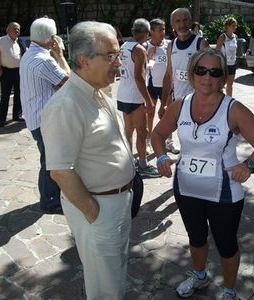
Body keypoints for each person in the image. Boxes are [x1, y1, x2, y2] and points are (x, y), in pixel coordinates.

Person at [151, 47, 254, 299]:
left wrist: (248, 165)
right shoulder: (180, 105)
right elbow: (157, 134)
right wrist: (161, 156)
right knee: (196, 239)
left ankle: (229, 291)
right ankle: (199, 276)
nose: (207, 77)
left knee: (226, 246)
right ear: (192, 73)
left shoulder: (234, 108)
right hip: (186, 188)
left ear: (222, 76)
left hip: (224, 193)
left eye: (215, 72)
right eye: (201, 70)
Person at [41, 21, 135, 300]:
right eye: (111, 55)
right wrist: (94, 213)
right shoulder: (65, 106)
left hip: (118, 201)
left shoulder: (94, 91)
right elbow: (60, 171)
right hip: (99, 208)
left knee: (115, 273)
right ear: (84, 60)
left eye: (118, 54)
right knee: (104, 286)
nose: (118, 62)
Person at [20, 17, 70, 214]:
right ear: (51, 38)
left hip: (36, 117)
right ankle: (50, 201)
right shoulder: (45, 59)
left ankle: (53, 196)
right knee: (50, 161)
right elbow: (69, 82)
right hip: (45, 120)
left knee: (48, 159)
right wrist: (60, 55)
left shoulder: (29, 54)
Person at [159, 8, 209, 153]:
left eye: (185, 20)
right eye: (177, 21)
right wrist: (163, 104)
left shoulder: (200, 44)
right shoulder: (171, 45)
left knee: (200, 141)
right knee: (185, 139)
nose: (181, 24)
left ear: (190, 21)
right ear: (172, 24)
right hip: (180, 104)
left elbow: (212, 76)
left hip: (200, 103)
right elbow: (169, 75)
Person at [117, 18, 160, 177]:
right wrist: (148, 100)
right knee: (143, 132)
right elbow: (139, 77)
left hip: (123, 94)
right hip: (135, 97)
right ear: (147, 33)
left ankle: (129, 162)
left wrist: (148, 64)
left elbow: (128, 68)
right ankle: (142, 165)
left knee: (129, 131)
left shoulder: (124, 46)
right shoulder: (139, 49)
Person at [0, 22, 26, 127]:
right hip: (6, 71)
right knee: (5, 96)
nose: (17, 31)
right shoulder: (1, 41)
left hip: (18, 71)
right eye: (15, 28)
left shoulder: (20, 42)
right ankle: (1, 119)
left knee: (19, 94)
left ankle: (17, 115)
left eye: (18, 29)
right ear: (8, 30)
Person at [146, 18, 169, 154]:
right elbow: (144, 69)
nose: (163, 32)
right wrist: (149, 57)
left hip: (166, 85)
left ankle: (168, 140)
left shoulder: (169, 45)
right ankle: (148, 141)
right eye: (160, 30)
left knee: (167, 113)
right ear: (151, 31)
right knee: (151, 113)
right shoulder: (146, 46)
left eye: (164, 29)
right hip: (152, 85)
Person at [216, 17, 238, 97]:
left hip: (232, 64)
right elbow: (217, 51)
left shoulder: (235, 37)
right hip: (224, 64)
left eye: (235, 25)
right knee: (221, 85)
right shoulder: (223, 37)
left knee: (230, 85)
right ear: (227, 26)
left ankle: (229, 100)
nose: (235, 27)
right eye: (233, 25)